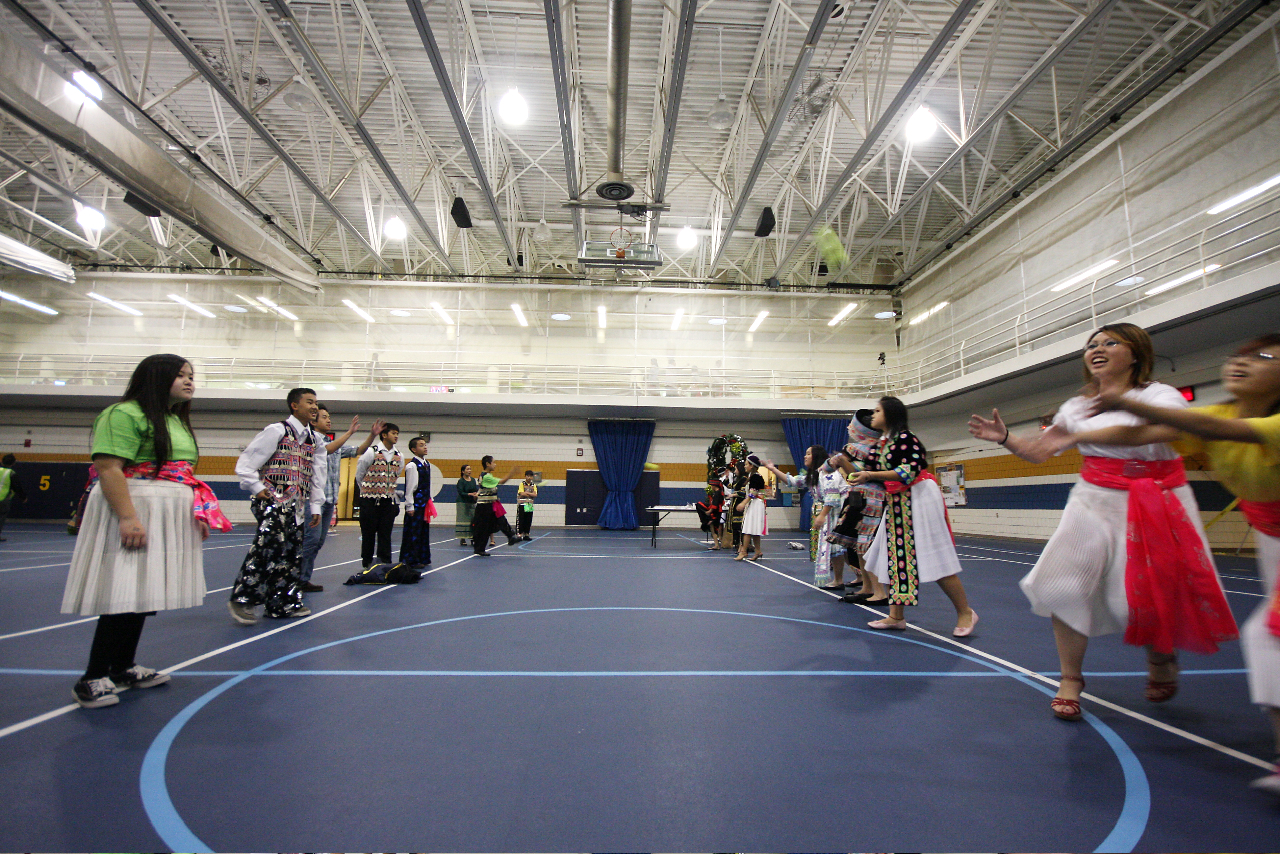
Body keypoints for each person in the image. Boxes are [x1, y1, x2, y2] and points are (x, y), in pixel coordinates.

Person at [968, 322, 1235, 721]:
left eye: (1111, 342)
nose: (1098, 349)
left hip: (1158, 498)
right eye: (1092, 344)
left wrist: (1089, 429)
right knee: (1063, 583)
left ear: (1136, 354)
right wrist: (1007, 439)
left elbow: (1160, 431)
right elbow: (1041, 451)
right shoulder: (1075, 407)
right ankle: (1070, 679)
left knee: (1147, 595)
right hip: (1093, 499)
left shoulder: (1161, 396)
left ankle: (1160, 659)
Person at [1049, 332, 1280, 793]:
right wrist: (1047, 437)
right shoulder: (1216, 412)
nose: (1241, 362)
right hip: (1270, 533)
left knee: (1263, 633)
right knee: (1066, 584)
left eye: (1263, 357)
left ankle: (1164, 659)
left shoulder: (1240, 421)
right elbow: (1163, 429)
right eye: (1237, 353)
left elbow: (1184, 428)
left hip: (1167, 502)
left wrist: (1116, 405)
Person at [61, 354, 230, 707]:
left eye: (191, 376)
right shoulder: (123, 414)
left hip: (166, 511)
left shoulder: (174, 419)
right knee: (121, 589)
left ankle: (123, 666)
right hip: (135, 506)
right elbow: (108, 468)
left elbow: (181, 473)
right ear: (155, 378)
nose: (189, 381)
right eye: (180, 375)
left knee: (143, 590)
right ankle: (92, 676)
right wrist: (128, 517)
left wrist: (194, 514)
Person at [857, 396, 978, 636]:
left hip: (918, 496)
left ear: (890, 414)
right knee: (895, 557)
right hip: (897, 502)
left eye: (877, 410)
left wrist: (870, 476)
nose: (873, 415)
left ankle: (966, 612)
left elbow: (907, 471)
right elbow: (868, 474)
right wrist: (846, 465)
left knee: (934, 557)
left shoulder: (906, 439)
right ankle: (896, 616)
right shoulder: (881, 445)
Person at [230, 387, 325, 624]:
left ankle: (281, 603)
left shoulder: (315, 440)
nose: (314, 407)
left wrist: (315, 506)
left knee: (292, 553)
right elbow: (246, 463)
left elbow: (316, 475)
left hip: (297, 506)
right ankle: (243, 599)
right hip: (272, 500)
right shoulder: (276, 430)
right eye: (309, 402)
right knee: (268, 546)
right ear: (294, 405)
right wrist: (256, 487)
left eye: (316, 403)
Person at [300, 406, 378, 592]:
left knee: (317, 542)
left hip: (329, 501)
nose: (329, 420)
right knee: (309, 541)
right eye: (324, 417)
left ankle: (303, 579)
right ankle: (295, 578)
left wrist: (372, 436)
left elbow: (358, 450)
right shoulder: (311, 440)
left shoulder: (333, 444)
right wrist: (350, 432)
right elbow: (326, 450)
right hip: (313, 501)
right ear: (313, 421)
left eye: (329, 417)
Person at [762, 445, 848, 588]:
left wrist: (822, 515)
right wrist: (772, 469)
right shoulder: (815, 475)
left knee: (840, 548)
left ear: (816, 456)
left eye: (808, 454)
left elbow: (832, 497)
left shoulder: (829, 473)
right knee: (837, 549)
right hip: (831, 513)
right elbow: (792, 481)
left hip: (838, 513)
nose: (805, 456)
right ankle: (842, 580)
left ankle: (854, 579)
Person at [828, 410, 889, 604]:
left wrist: (842, 462)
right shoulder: (883, 447)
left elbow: (855, 475)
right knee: (859, 544)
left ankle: (879, 591)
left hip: (867, 499)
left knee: (864, 544)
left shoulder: (856, 449)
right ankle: (868, 587)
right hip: (871, 497)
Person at [355, 422, 404, 568]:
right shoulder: (371, 452)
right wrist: (368, 491)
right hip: (369, 501)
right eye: (393, 433)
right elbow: (360, 475)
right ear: (384, 435)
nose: (396, 436)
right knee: (368, 533)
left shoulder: (399, 455)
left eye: (397, 434)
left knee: (385, 533)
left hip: (387, 501)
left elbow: (397, 474)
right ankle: (367, 562)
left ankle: (385, 562)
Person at [471, 455, 521, 557]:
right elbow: (502, 481)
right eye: (493, 462)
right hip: (484, 507)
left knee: (499, 521)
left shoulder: (484, 475)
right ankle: (480, 548)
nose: (495, 464)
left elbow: (483, 489)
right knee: (486, 527)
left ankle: (510, 536)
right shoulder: (487, 477)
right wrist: (512, 473)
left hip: (490, 505)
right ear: (487, 464)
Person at [400, 436, 434, 569]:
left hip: (425, 504)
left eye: (425, 444)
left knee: (423, 532)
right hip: (416, 504)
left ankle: (422, 557)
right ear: (414, 449)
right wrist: (410, 505)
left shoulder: (427, 464)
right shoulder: (412, 466)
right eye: (421, 445)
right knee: (413, 533)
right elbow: (410, 487)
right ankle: (410, 559)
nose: (425, 447)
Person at [736, 455, 769, 561]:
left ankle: (743, 551)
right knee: (754, 529)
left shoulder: (755, 477)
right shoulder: (753, 476)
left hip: (755, 504)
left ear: (751, 465)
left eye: (746, 464)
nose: (745, 466)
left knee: (747, 529)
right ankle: (758, 551)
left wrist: (743, 503)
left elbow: (753, 493)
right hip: (756, 504)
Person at [695, 469, 726, 549]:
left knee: (713, 528)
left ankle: (706, 520)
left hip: (715, 513)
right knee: (713, 529)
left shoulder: (717, 493)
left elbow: (715, 505)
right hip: (716, 512)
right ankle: (716, 545)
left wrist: (709, 511)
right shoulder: (719, 492)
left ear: (714, 486)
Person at [0, 453, 26, 541]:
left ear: (1, 461)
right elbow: (17, 487)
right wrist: (23, 497)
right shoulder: (11, 473)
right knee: (1, 517)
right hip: (3, 499)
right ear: (13, 463)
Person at [456, 464, 478, 546]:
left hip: (471, 502)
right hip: (462, 503)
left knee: (472, 520)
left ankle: (472, 537)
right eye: (467, 469)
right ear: (463, 471)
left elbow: (475, 489)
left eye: (470, 469)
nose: (469, 471)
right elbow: (461, 492)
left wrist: (475, 495)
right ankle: (463, 538)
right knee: (463, 520)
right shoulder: (461, 481)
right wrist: (470, 494)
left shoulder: (473, 480)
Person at [516, 470, 538, 541]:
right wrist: (530, 493)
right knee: (521, 519)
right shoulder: (522, 484)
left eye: (530, 476)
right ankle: (519, 534)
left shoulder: (533, 485)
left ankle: (526, 534)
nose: (529, 477)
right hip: (522, 504)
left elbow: (535, 495)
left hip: (529, 505)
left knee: (528, 520)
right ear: (525, 476)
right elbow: (522, 493)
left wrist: (527, 493)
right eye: (527, 476)